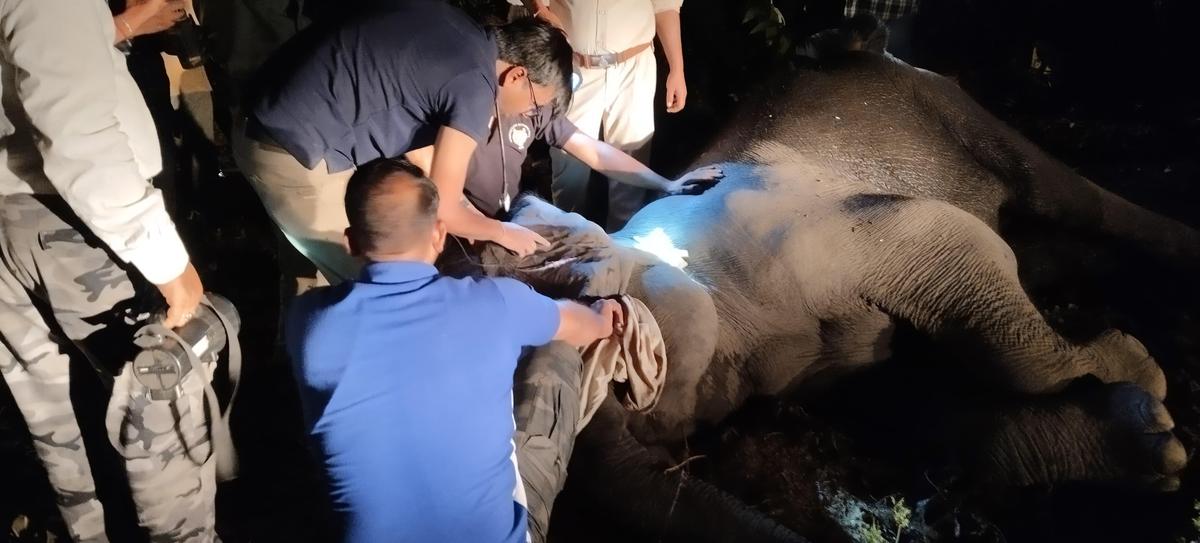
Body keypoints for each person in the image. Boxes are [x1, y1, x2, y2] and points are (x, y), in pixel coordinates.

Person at [285, 158, 622, 542]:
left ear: (350, 242)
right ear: (439, 234)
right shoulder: (496, 302)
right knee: (557, 349)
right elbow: (580, 325)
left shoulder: (307, 322)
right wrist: (601, 315)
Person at [1, 0, 215, 541]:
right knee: (159, 403)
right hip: (73, 225)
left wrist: (120, 26)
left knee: (50, 409)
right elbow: (77, 134)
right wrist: (167, 261)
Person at [233, 2, 575, 286]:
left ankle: (296, 351)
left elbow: (421, 150)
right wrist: (501, 231)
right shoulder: (476, 85)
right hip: (293, 151)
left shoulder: (457, 31)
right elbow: (444, 210)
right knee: (379, 279)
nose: (529, 114)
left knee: (313, 264)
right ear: (516, 75)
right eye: (534, 105)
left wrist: (469, 215)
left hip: (264, 120)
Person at [408, 102, 723, 219]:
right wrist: (495, 234)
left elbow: (593, 150)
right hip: (457, 229)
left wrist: (666, 184)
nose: (540, 107)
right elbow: (443, 193)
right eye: (538, 97)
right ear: (513, 75)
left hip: (511, 217)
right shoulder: (446, 110)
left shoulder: (535, 106)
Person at [538, 0, 689, 231]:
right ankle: (568, 241)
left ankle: (624, 243)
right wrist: (540, 9)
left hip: (634, 66)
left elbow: (665, 6)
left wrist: (677, 68)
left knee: (631, 156)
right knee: (568, 164)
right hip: (572, 65)